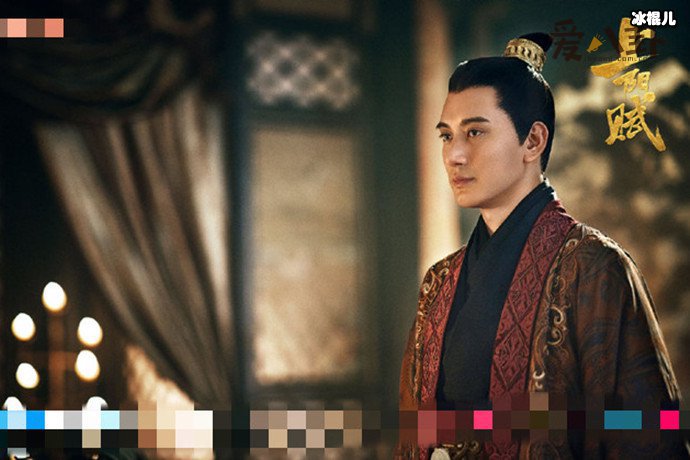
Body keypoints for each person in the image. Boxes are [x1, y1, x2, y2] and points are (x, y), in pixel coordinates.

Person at [398, 33, 688, 459]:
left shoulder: (594, 269)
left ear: (533, 141)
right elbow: (414, 430)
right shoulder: (440, 282)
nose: (454, 155)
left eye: (475, 132)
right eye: (446, 136)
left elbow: (648, 428)